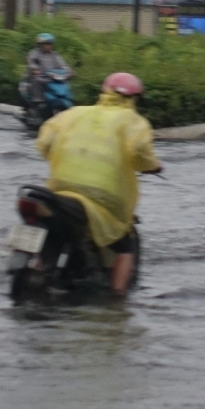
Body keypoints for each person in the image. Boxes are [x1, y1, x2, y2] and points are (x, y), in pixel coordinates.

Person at [35, 71, 161, 295]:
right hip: (102, 199)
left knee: (52, 233)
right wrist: (151, 166)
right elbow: (140, 150)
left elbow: (44, 142)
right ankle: (117, 299)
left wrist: (58, 157)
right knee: (125, 246)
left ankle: (37, 269)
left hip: (58, 193)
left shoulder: (73, 113)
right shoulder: (134, 122)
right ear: (134, 99)